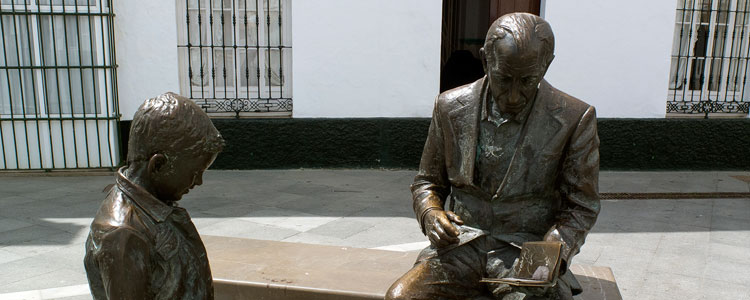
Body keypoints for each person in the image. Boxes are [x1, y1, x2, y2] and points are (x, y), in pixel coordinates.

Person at [386, 13, 600, 300]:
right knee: (401, 297)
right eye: (503, 79)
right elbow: (427, 182)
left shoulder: (575, 118)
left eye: (527, 80)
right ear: (486, 60)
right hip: (461, 246)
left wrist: (554, 248)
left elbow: (582, 205)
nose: (513, 96)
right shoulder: (449, 107)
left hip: (524, 250)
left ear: (546, 65)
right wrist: (431, 213)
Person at [84, 92, 224, 299]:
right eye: (195, 172)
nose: (198, 182)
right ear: (158, 165)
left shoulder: (153, 209)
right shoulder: (124, 234)